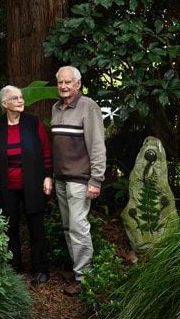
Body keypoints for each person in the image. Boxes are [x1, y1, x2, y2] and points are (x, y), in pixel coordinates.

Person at [0, 85, 53, 285]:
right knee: (10, 226)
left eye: (21, 97)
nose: (20, 101)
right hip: (7, 186)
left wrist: (48, 176)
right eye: (15, 98)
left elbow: (46, 151)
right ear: (5, 104)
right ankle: (15, 267)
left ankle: (40, 269)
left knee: (36, 227)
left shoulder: (33, 123)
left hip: (32, 183)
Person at [51, 66, 106, 295]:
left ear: (78, 84)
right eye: (60, 83)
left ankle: (84, 279)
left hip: (81, 179)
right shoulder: (56, 108)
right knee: (68, 226)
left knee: (79, 227)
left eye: (68, 82)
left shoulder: (88, 107)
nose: (63, 86)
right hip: (61, 178)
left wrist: (96, 179)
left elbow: (97, 145)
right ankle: (77, 269)